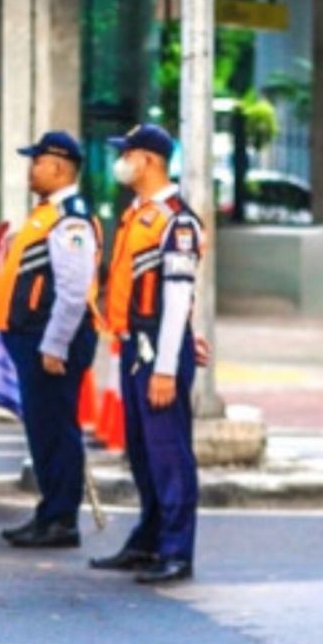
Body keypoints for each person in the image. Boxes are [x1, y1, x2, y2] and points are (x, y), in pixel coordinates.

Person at [89, 123, 204, 585]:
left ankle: (177, 549)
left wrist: (166, 368)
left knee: (169, 454)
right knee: (141, 453)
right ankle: (149, 538)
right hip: (136, 347)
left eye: (127, 153)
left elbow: (177, 298)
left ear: (150, 161)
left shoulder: (177, 222)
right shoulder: (138, 214)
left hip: (159, 353)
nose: (122, 162)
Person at [0, 131, 101, 548]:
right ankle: (49, 511)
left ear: (57, 167)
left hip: (53, 342)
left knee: (56, 430)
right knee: (43, 430)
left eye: (37, 161)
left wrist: (55, 345)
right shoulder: (47, 213)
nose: (31, 169)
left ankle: (61, 520)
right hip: (34, 338)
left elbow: (74, 292)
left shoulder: (69, 218)